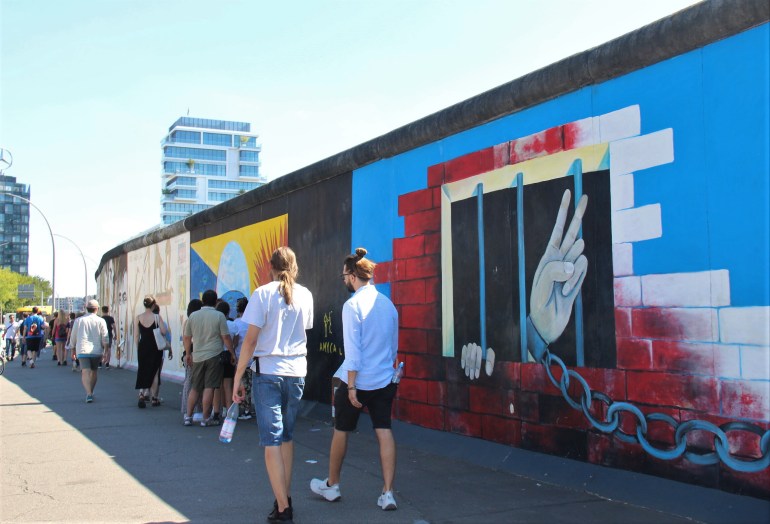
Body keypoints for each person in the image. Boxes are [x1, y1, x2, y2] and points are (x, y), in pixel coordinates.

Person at [310, 247, 400, 512]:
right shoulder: (388, 304)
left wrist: (350, 386)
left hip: (358, 382)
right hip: (385, 378)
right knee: (384, 431)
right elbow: (393, 346)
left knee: (341, 430)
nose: (344, 281)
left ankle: (333, 484)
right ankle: (388, 493)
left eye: (343, 277)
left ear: (351, 275)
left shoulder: (352, 306)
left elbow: (353, 351)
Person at [233, 246, 314, 523]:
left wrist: (237, 376)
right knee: (287, 437)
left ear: (271, 266)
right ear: (294, 266)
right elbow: (305, 330)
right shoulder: (306, 294)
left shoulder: (262, 293)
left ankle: (283, 508)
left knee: (271, 441)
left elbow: (251, 341)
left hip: (267, 372)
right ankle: (284, 498)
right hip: (297, 372)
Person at [183, 289, 234, 426]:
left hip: (198, 355)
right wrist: (232, 353)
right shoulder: (219, 316)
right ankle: (206, 418)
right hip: (214, 355)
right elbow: (226, 337)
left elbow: (187, 337)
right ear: (215, 301)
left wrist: (188, 353)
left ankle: (188, 417)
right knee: (209, 387)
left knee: (195, 387)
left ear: (203, 300)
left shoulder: (193, 316)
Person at [69, 299, 109, 403]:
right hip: (96, 350)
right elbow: (105, 337)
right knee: (94, 371)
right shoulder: (101, 321)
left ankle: (88, 393)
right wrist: (106, 351)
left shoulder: (79, 320)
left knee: (85, 372)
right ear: (97, 309)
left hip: (82, 350)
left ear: (87, 309)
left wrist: (72, 349)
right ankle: (91, 391)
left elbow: (73, 336)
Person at [134, 296, 170, 408]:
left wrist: (138, 348)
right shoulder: (157, 317)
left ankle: (141, 395)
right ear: (153, 305)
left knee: (143, 370)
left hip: (143, 346)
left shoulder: (138, 317)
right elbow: (164, 332)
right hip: (155, 347)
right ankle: (154, 398)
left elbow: (136, 335)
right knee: (154, 372)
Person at [180, 299, 203, 418]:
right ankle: (198, 409)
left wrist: (187, 353)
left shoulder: (187, 321)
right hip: (196, 353)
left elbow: (185, 339)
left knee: (189, 381)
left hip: (188, 353)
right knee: (197, 383)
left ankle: (186, 409)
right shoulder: (198, 321)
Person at [215, 300, 237, 420]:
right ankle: (229, 412)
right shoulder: (233, 325)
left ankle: (217, 411)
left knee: (217, 386)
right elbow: (236, 340)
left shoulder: (216, 323)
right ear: (228, 311)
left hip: (217, 355)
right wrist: (232, 352)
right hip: (229, 355)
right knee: (228, 385)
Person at [233, 297, 253, 420]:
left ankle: (242, 408)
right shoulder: (251, 323)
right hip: (252, 359)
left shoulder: (236, 323)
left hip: (240, 358)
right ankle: (247, 409)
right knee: (249, 385)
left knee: (240, 384)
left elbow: (234, 342)